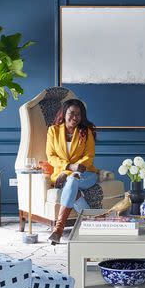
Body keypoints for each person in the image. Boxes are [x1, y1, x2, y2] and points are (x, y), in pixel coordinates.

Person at [46, 98, 98, 244]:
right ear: (64, 113)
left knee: (72, 179)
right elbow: (51, 156)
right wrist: (70, 168)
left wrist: (74, 169)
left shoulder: (86, 132)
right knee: (72, 183)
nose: (75, 117)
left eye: (79, 115)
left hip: (87, 174)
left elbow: (89, 156)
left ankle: (58, 229)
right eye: (72, 113)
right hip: (65, 175)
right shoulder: (53, 131)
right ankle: (92, 224)